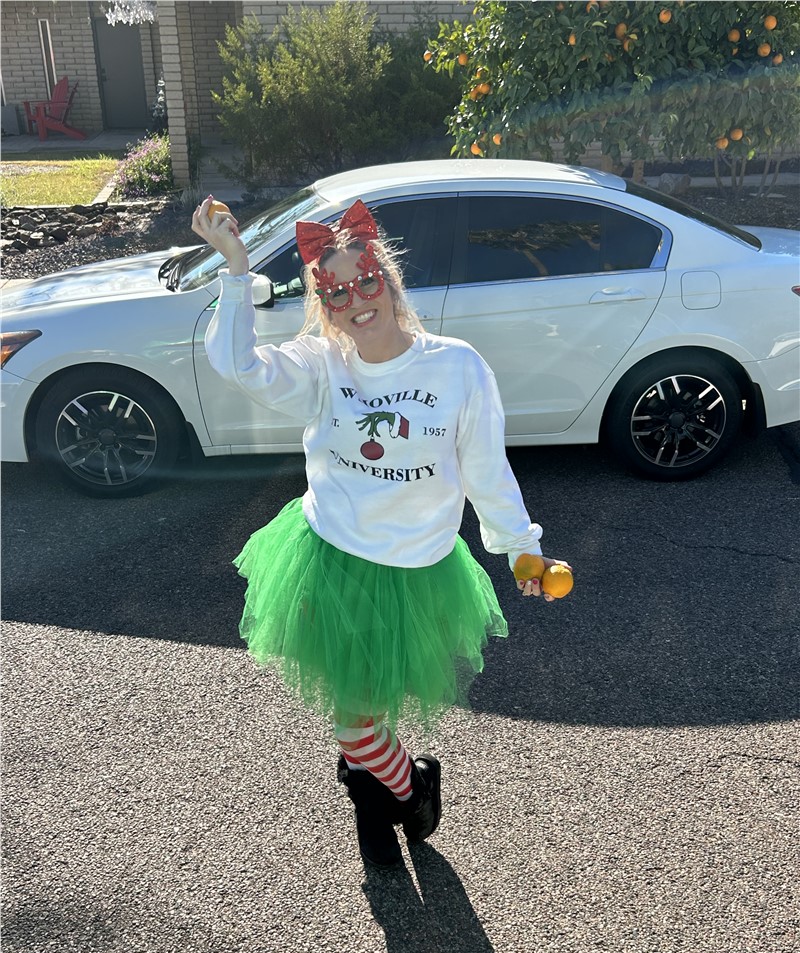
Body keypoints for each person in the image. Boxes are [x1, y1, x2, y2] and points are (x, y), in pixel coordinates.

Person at [191, 195, 571, 870]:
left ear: (388, 281)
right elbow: (239, 366)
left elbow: (486, 470)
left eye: (365, 282)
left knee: (365, 711)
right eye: (335, 292)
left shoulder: (456, 367)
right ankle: (403, 794)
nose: (354, 301)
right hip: (329, 559)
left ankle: (394, 794)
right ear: (324, 304)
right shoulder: (323, 364)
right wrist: (236, 269)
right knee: (357, 714)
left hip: (415, 569)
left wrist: (523, 548)